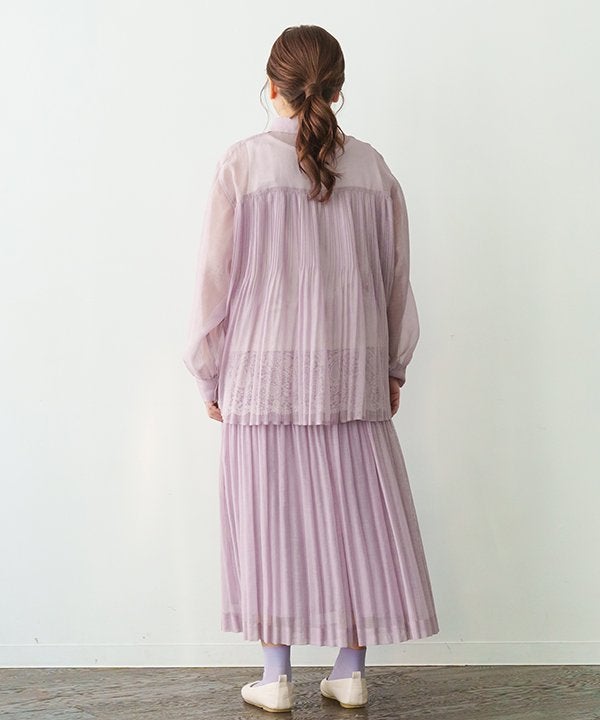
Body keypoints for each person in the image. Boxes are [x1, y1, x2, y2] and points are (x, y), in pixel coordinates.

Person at [182, 24, 439, 713]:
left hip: (260, 375)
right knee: (359, 521)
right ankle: (350, 670)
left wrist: (209, 371)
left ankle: (275, 679)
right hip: (352, 372)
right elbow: (396, 279)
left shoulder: (241, 165)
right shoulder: (373, 170)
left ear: (272, 87)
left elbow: (212, 281)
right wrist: (393, 366)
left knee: (270, 522)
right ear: (337, 90)